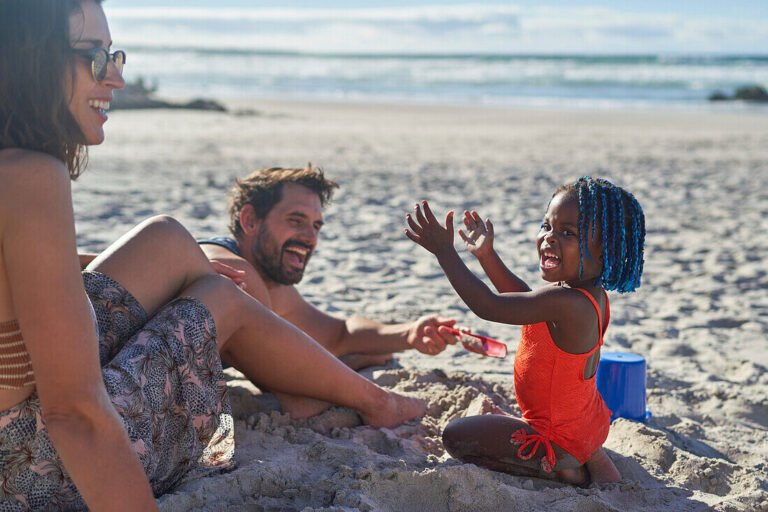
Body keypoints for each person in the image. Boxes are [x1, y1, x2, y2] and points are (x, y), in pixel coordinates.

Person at [0, 1, 423, 510]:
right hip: (31, 465)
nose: (115, 78)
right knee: (219, 296)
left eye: (115, 55)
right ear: (31, 59)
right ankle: (373, 400)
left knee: (168, 241)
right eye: (93, 56)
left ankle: (300, 370)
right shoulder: (29, 176)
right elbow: (75, 414)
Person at [405, 176, 646, 485]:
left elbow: (490, 306)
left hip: (555, 435)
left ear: (604, 253)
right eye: (546, 226)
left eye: (567, 232)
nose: (549, 238)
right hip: (584, 424)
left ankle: (561, 467)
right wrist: (487, 256)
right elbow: (523, 301)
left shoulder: (569, 303)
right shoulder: (585, 296)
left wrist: (444, 252)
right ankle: (589, 454)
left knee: (455, 437)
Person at [198, 165, 459, 371]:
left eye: (316, 226)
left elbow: (339, 334)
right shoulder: (230, 272)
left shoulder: (271, 285)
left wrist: (409, 333)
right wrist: (349, 366)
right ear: (250, 220)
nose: (310, 238)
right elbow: (287, 384)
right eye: (296, 220)